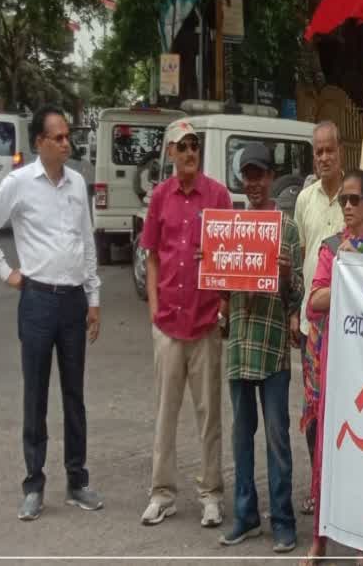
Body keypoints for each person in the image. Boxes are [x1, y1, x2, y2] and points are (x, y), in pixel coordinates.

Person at [0, 105, 103, 520]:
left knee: (75, 396)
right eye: (59, 137)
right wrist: (6, 271)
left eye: (68, 137)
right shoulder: (19, 183)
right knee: (35, 393)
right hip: (36, 301)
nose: (67, 143)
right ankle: (34, 484)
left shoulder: (77, 183)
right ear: (40, 143)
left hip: (72, 303)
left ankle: (78, 481)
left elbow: (86, 242)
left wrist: (94, 299)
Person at [139, 119, 233, 527]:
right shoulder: (160, 197)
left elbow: (231, 254)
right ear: (171, 154)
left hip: (206, 322)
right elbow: (153, 255)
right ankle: (162, 493)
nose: (190, 152)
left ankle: (211, 494)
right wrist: (154, 312)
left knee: (209, 414)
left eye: (195, 145)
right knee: (165, 413)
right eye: (182, 146)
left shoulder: (219, 196)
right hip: (168, 324)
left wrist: (223, 303)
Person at [303, 169, 363, 564]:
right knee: (326, 454)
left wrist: (357, 268)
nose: (348, 207)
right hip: (334, 362)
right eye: (343, 200)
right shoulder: (330, 248)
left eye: (355, 200)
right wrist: (345, 269)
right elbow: (315, 301)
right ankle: (320, 538)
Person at [218, 144, 301, 553]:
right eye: (248, 176)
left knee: (277, 436)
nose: (254, 183)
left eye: (260, 175)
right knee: (240, 436)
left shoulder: (287, 228)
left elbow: (296, 294)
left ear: (271, 177)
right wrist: (210, 265)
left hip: (272, 347)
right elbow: (220, 290)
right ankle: (246, 514)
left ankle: (283, 519)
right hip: (239, 343)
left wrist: (285, 276)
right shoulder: (230, 227)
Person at [292, 120, 345, 517]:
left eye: (330, 149)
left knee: (344, 413)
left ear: (341, 151)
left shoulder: (356, 198)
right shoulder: (305, 200)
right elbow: (303, 257)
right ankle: (317, 486)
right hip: (313, 330)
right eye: (318, 151)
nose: (324, 157)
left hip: (348, 331)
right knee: (313, 411)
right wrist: (296, 309)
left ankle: (343, 490)